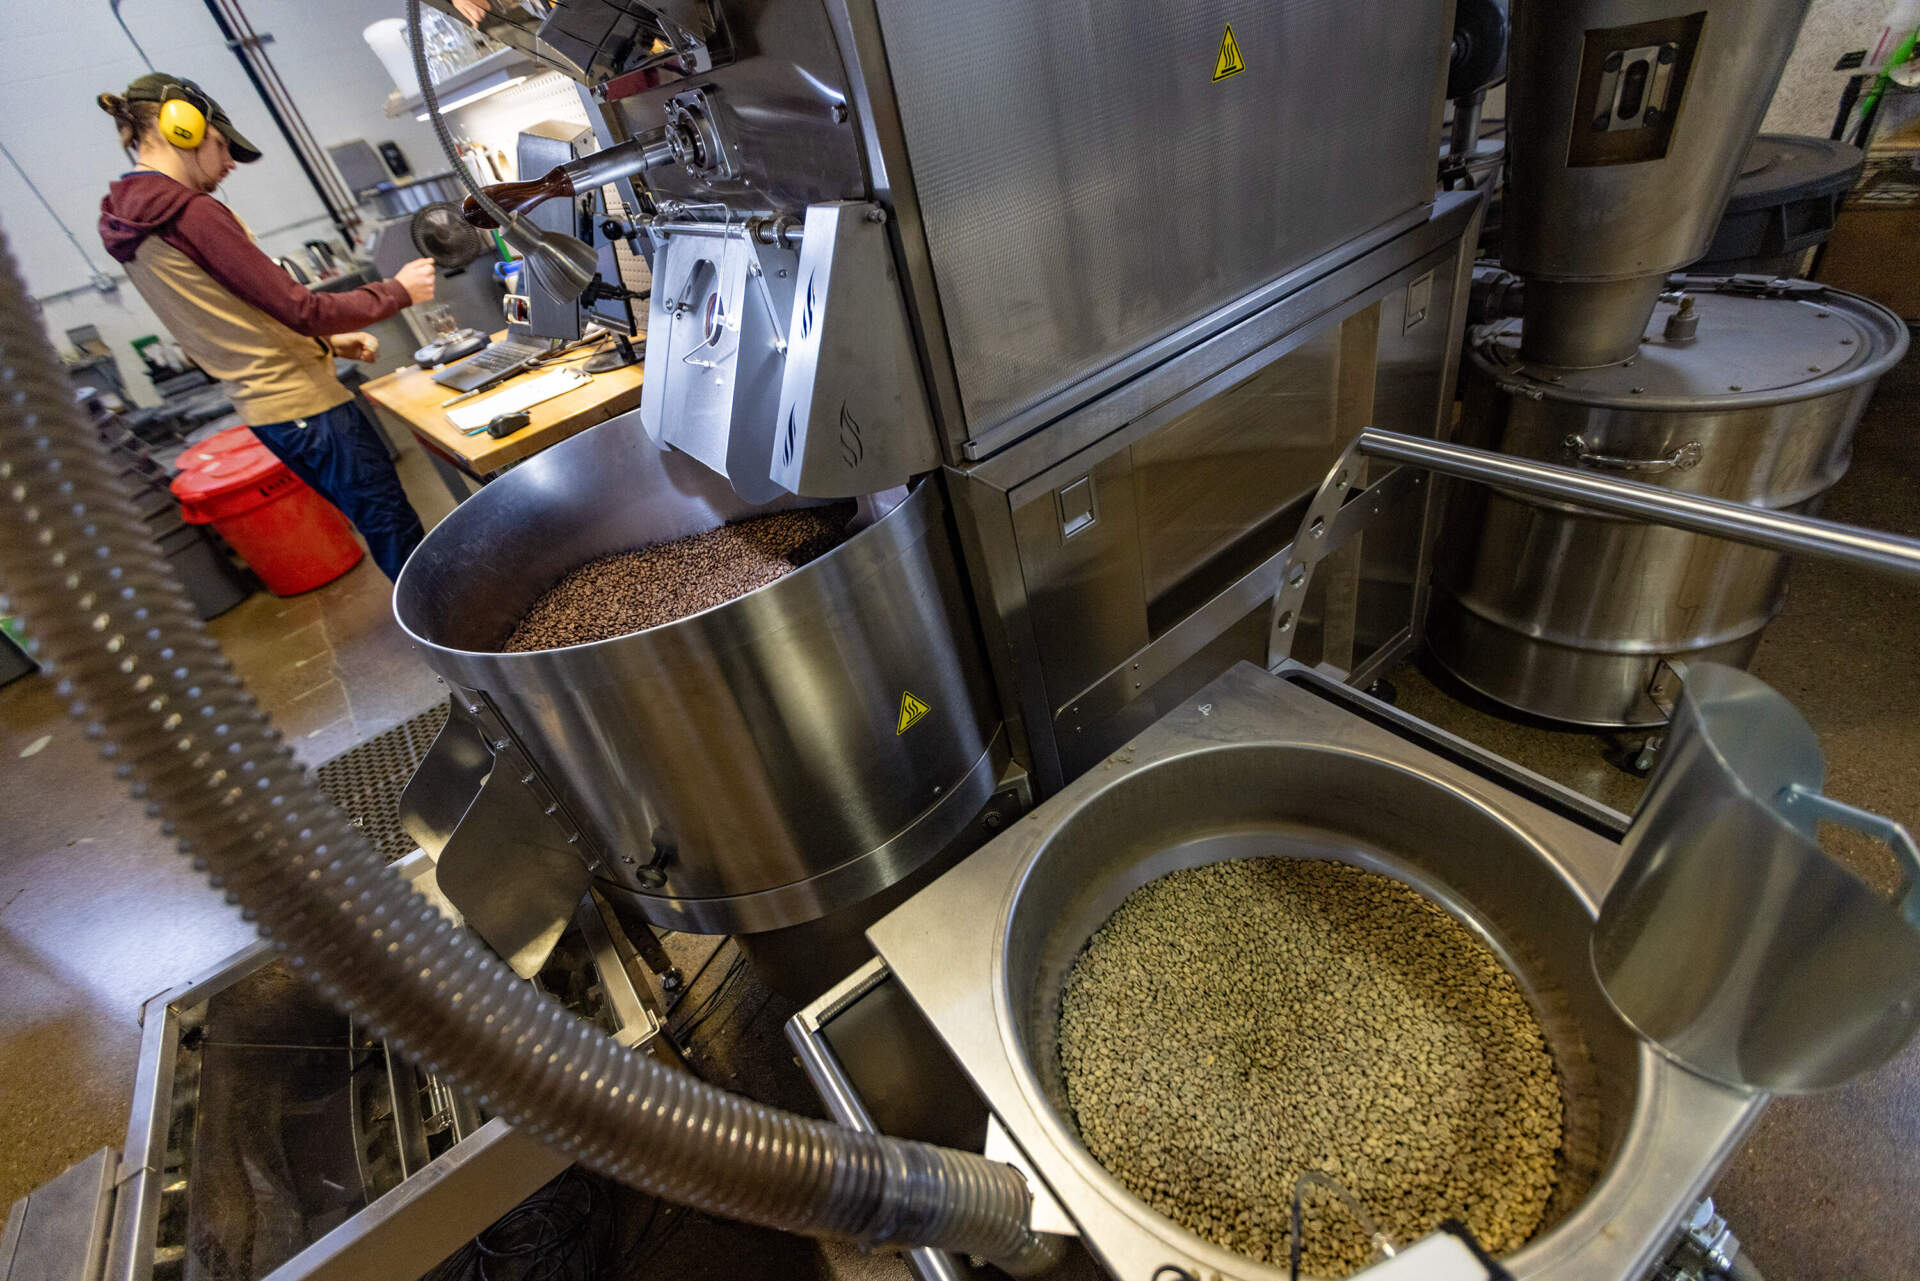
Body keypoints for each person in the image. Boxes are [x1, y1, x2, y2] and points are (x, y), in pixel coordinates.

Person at [96, 73, 437, 581]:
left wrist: (329, 343)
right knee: (397, 533)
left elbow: (229, 314)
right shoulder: (191, 213)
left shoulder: (134, 220)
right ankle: (457, 650)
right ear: (181, 129)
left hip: (269, 411)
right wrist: (398, 291)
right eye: (220, 144)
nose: (229, 162)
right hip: (306, 407)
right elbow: (303, 309)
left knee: (384, 526)